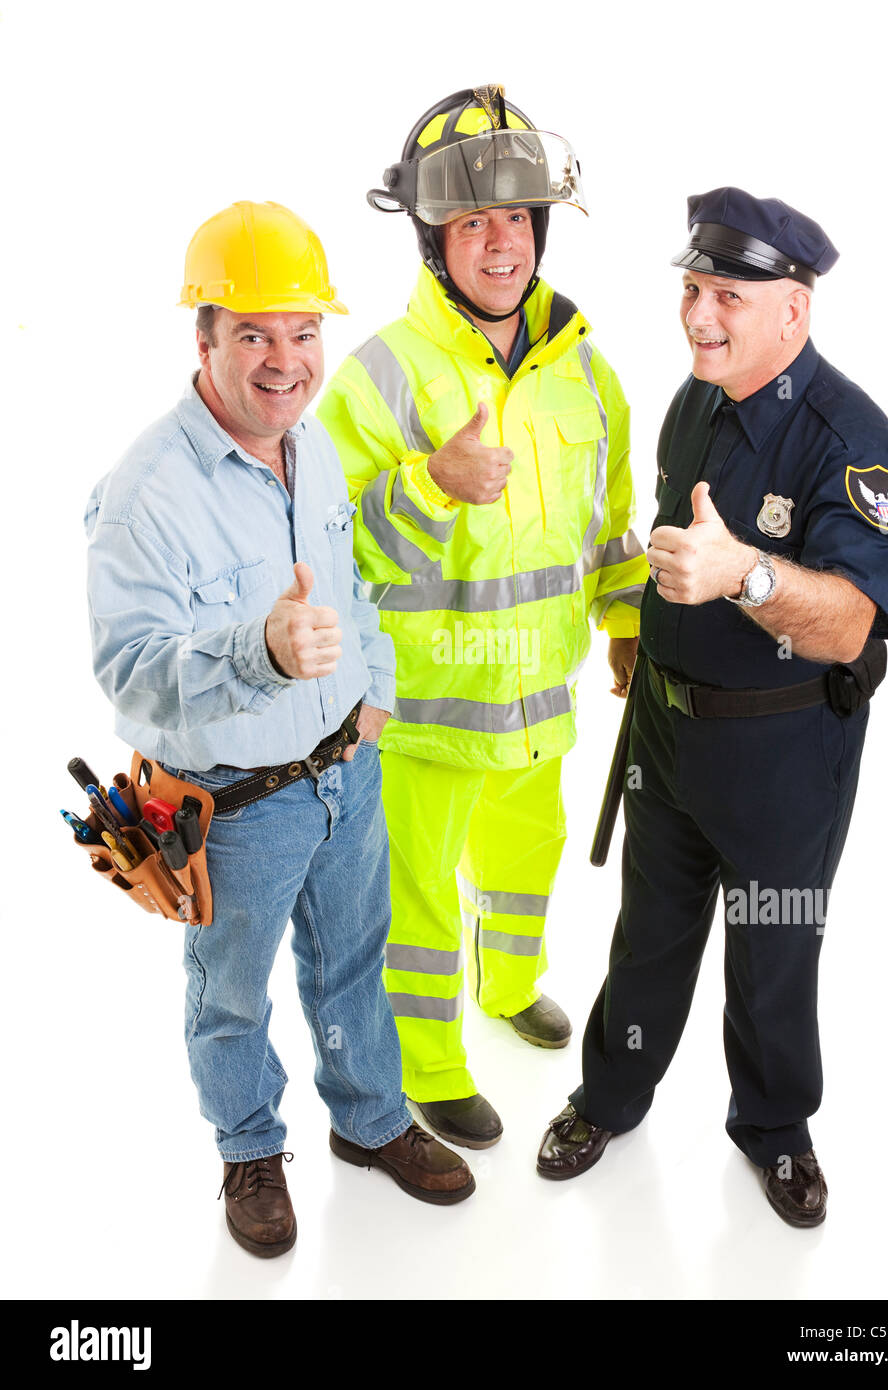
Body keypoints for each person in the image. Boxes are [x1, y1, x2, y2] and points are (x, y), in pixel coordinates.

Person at [85, 200, 474, 1259]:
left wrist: (372, 689)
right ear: (203, 338)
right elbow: (127, 669)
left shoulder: (316, 451)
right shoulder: (147, 493)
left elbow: (356, 587)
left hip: (344, 773)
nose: (283, 360)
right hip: (238, 808)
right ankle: (250, 1147)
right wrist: (258, 649)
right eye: (253, 333)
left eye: (303, 332)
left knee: (355, 961)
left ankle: (370, 1117)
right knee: (230, 994)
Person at [536, 187, 888, 1226]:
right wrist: (637, 641)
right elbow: (670, 542)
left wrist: (744, 574)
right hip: (667, 726)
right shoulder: (696, 399)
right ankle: (610, 1096)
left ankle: (776, 1128)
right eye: (694, 288)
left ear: (792, 311)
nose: (700, 314)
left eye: (729, 298)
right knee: (649, 933)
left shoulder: (853, 439)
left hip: (784, 753)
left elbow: (848, 625)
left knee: (773, 943)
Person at [318, 86, 649, 1148]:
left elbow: (607, 523)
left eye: (515, 217)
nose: (500, 243)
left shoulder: (587, 372)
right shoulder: (378, 375)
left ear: (541, 227)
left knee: (528, 859)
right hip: (419, 711)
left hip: (537, 702)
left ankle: (509, 985)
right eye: (473, 223)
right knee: (413, 905)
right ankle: (429, 1067)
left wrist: (628, 623)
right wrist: (431, 484)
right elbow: (328, 550)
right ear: (433, 240)